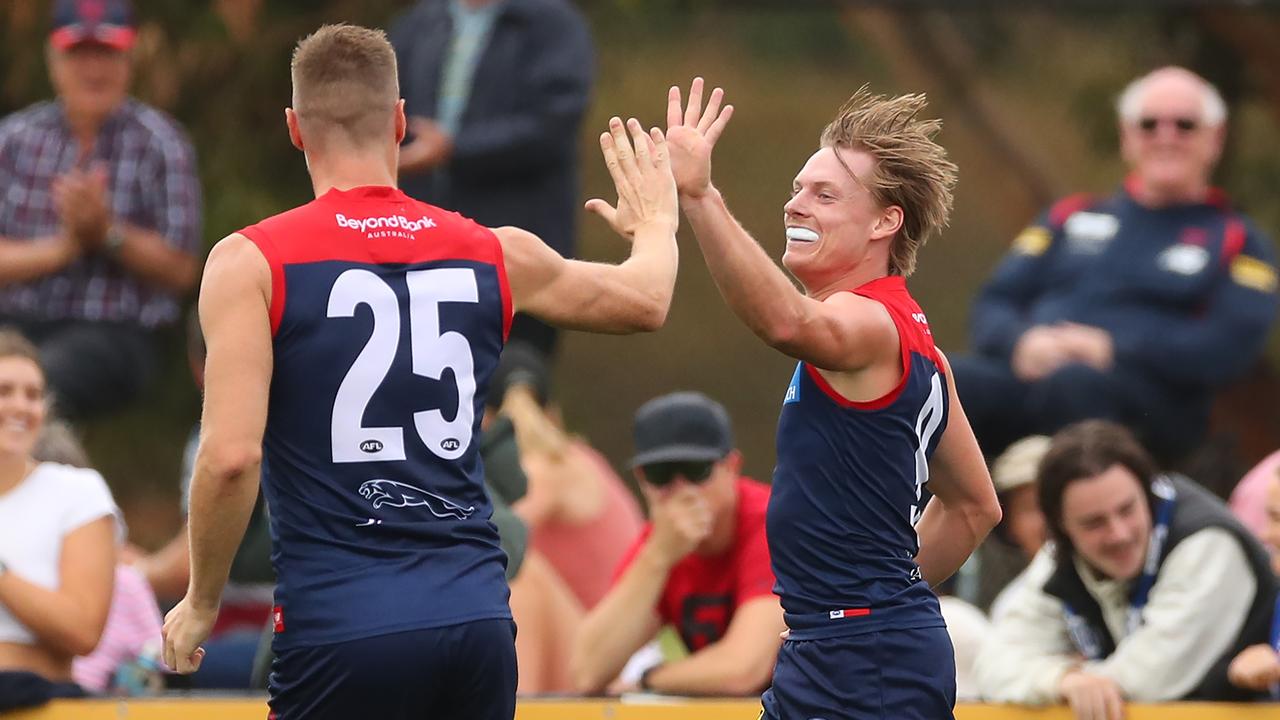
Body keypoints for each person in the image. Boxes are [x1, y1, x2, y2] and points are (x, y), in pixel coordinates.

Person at [160, 23, 677, 720]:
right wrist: (657, 223)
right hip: (476, 621)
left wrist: (201, 603)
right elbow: (645, 300)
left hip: (342, 625)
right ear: (401, 121)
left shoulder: (251, 262)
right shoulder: (493, 250)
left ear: (294, 129)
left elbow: (229, 458)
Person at [664, 79, 1001, 719]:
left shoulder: (866, 323)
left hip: (862, 661)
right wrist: (867, 609)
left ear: (885, 221)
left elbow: (787, 323)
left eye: (824, 194)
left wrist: (700, 196)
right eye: (796, 190)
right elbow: (973, 508)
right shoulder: (919, 344)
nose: (796, 206)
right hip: (849, 646)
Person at [951, 67, 1279, 464]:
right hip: (1030, 375)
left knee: (1074, 385)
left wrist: (1113, 349)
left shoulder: (1238, 241)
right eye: (1149, 124)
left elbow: (1226, 347)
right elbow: (993, 302)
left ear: (1216, 139)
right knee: (938, 379)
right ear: (1127, 136)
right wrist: (1021, 342)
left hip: (1146, 405)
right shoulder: (1069, 216)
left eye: (1185, 125)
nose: (1166, 136)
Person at [974, 420, 1278, 718]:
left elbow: (1148, 679)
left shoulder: (1207, 543)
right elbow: (992, 666)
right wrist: (1062, 679)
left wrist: (1068, 678)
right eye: (1094, 523)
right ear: (1061, 528)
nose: (1118, 534)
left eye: (1127, 509)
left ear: (1149, 496)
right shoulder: (1060, 555)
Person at [0, 0, 201, 420]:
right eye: (79, 53)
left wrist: (107, 233)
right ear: (53, 58)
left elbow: (182, 269)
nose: (93, 69)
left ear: (129, 59)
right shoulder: (14, 139)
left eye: (106, 53)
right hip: (14, 321)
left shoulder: (163, 144)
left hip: (115, 335)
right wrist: (63, 248)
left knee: (36, 385)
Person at [389, 0, 593, 358]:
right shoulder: (419, 24)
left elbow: (554, 125)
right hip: (421, 255)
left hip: (520, 262)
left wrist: (455, 149)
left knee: (515, 389)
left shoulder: (553, 26)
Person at [570, 392, 783, 696]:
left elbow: (742, 670)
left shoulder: (771, 523)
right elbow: (587, 672)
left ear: (732, 467)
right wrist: (657, 557)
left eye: (697, 471)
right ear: (642, 478)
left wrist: (648, 679)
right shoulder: (662, 543)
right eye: (661, 475)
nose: (682, 491)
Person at [0, 330, 118, 711]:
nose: (21, 406)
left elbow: (83, 630)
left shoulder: (76, 491)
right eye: (5, 391)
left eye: (33, 395)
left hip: (36, 703)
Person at [494, 341, 645, 611]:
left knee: (515, 571)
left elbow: (491, 540)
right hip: (616, 632)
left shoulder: (545, 470)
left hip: (613, 642)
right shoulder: (574, 456)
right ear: (552, 412)